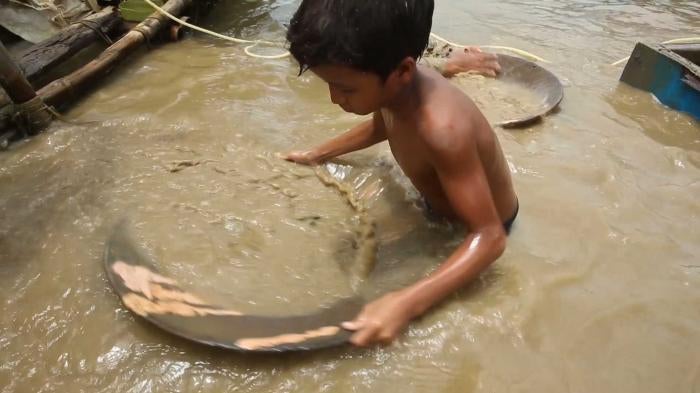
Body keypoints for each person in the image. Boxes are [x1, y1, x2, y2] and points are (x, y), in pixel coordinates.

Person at [282, 0, 518, 346]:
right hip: (437, 207)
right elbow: (381, 128)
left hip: (480, 226)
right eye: (329, 85)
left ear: (404, 72)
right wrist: (317, 153)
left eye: (345, 89)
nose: (334, 99)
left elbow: (490, 238)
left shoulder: (443, 129)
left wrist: (405, 304)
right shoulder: (395, 88)